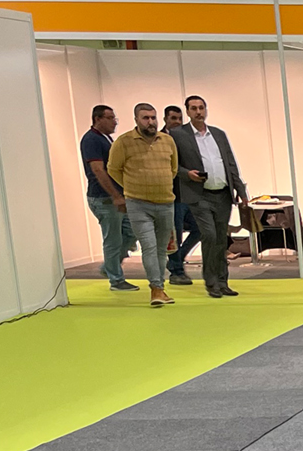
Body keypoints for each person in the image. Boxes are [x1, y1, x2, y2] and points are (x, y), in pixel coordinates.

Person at [169, 95, 248, 299]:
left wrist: (241, 191)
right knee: (210, 236)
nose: (198, 112)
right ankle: (211, 282)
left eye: (201, 107)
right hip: (199, 194)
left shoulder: (218, 134)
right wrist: (187, 174)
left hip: (223, 193)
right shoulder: (178, 135)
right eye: (194, 108)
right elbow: (171, 164)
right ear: (187, 111)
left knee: (221, 239)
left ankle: (222, 281)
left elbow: (230, 163)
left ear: (206, 109)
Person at [106, 101, 180, 306]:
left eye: (153, 118)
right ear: (136, 120)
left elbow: (173, 169)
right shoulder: (123, 142)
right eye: (145, 118)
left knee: (161, 249)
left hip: (165, 202)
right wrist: (131, 186)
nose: (150, 122)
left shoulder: (167, 141)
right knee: (149, 246)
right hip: (138, 203)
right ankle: (156, 289)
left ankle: (160, 288)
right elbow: (113, 169)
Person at [79, 104, 136, 291]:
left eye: (114, 118)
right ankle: (116, 279)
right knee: (113, 239)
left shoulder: (105, 138)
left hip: (114, 196)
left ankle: (109, 267)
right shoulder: (91, 140)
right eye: (110, 118)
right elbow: (98, 170)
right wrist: (115, 195)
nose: (114, 122)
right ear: (98, 119)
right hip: (104, 198)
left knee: (131, 232)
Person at [162, 105, 200, 286]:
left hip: (188, 194)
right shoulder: (160, 139)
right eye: (173, 118)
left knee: (200, 228)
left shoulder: (186, 137)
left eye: (179, 118)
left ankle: (176, 260)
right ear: (165, 120)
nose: (177, 122)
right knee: (175, 235)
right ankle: (176, 271)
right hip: (170, 195)